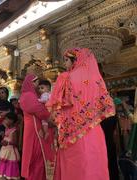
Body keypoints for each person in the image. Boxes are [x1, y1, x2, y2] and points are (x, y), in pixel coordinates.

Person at [46, 48, 115, 180]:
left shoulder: (65, 78)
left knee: (76, 168)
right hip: (94, 132)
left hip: (72, 135)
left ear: (75, 60)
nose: (65, 64)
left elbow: (55, 111)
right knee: (94, 165)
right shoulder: (96, 80)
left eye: (66, 60)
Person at [19, 74, 56, 180]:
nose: (37, 84)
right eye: (35, 82)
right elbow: (38, 109)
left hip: (39, 130)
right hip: (34, 132)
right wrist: (51, 118)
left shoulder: (34, 95)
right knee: (35, 159)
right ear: (30, 82)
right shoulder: (27, 95)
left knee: (40, 159)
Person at [0, 112, 20, 180]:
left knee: (10, 168)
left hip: (11, 152)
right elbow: (6, 137)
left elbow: (15, 142)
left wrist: (8, 143)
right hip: (5, 151)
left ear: (12, 120)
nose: (5, 121)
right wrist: (2, 136)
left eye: (7, 119)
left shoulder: (14, 130)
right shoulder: (7, 129)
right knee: (5, 168)